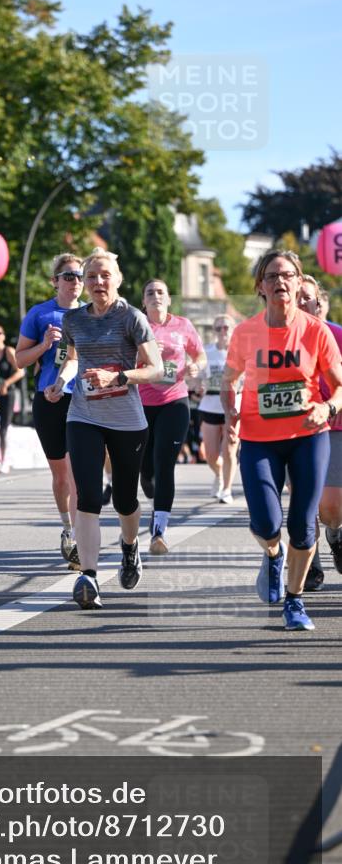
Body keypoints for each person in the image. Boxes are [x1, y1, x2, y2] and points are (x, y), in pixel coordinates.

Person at [221, 250, 342, 631]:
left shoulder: (315, 331)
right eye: (272, 276)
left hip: (309, 436)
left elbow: (340, 386)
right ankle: (274, 555)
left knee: (304, 525)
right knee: (266, 523)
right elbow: (228, 380)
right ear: (260, 286)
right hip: (258, 438)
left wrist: (328, 407)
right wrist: (230, 411)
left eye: (288, 275)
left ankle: (295, 600)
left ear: (298, 281)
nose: (280, 282)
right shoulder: (245, 332)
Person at [45, 249, 163, 610]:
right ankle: (89, 577)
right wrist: (60, 382)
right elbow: (72, 358)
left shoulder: (132, 318)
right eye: (91, 276)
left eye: (105, 275)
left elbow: (157, 368)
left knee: (126, 500)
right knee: (88, 496)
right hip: (84, 415)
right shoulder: (74, 319)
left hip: (127, 420)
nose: (98, 282)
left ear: (118, 279)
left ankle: (129, 546)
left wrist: (118, 377)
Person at [16, 254, 84, 570]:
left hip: (84, 399)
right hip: (50, 399)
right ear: (55, 281)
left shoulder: (92, 313)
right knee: (61, 476)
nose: (75, 281)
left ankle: (81, 539)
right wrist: (43, 345)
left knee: (78, 472)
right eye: (68, 276)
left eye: (80, 276)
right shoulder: (40, 313)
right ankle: (68, 529)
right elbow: (19, 360)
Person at [139, 279, 207, 553]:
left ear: (168, 299)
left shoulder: (183, 325)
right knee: (146, 470)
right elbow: (121, 359)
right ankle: (151, 494)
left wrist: (195, 366)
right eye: (150, 292)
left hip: (174, 401)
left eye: (160, 292)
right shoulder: (136, 325)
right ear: (143, 301)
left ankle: (159, 532)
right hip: (141, 404)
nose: (156, 296)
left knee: (164, 464)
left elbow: (200, 355)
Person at [297, 275, 342, 589]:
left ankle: (335, 534)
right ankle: (309, 562)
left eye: (307, 297)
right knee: (304, 499)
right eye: (296, 296)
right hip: (293, 430)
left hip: (334, 425)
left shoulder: (337, 335)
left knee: (331, 508)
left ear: (318, 303)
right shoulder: (274, 337)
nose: (301, 302)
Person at [198, 314, 240, 503]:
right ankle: (219, 473)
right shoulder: (207, 352)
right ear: (214, 331)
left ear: (233, 330)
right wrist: (198, 385)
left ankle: (227, 489)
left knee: (230, 449)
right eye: (218, 328)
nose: (223, 331)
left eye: (226, 327)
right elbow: (197, 377)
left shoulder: (240, 351)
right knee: (211, 455)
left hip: (233, 405)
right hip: (210, 404)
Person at [0, 324, 24, 473]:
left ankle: (4, 459)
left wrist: (6, 383)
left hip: (7, 394)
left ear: (3, 336)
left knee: (3, 429)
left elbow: (20, 371)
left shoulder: (8, 351)